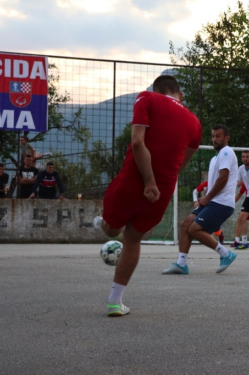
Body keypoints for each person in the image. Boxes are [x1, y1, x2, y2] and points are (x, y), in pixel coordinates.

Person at [93, 75, 202, 317]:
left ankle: (104, 225)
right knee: (133, 238)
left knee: (111, 229)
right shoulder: (195, 123)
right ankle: (114, 301)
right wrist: (157, 182)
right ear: (180, 95)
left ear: (156, 89)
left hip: (134, 180)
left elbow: (137, 143)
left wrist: (148, 181)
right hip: (162, 190)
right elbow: (181, 165)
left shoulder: (146, 98)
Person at [162, 124, 238, 275]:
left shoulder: (226, 153)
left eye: (218, 136)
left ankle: (226, 254)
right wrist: (205, 197)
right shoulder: (215, 158)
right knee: (185, 225)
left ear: (226, 138)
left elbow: (223, 179)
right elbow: (215, 181)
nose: (215, 139)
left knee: (194, 229)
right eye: (213, 136)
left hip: (221, 202)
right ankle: (181, 264)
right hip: (212, 200)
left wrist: (208, 197)